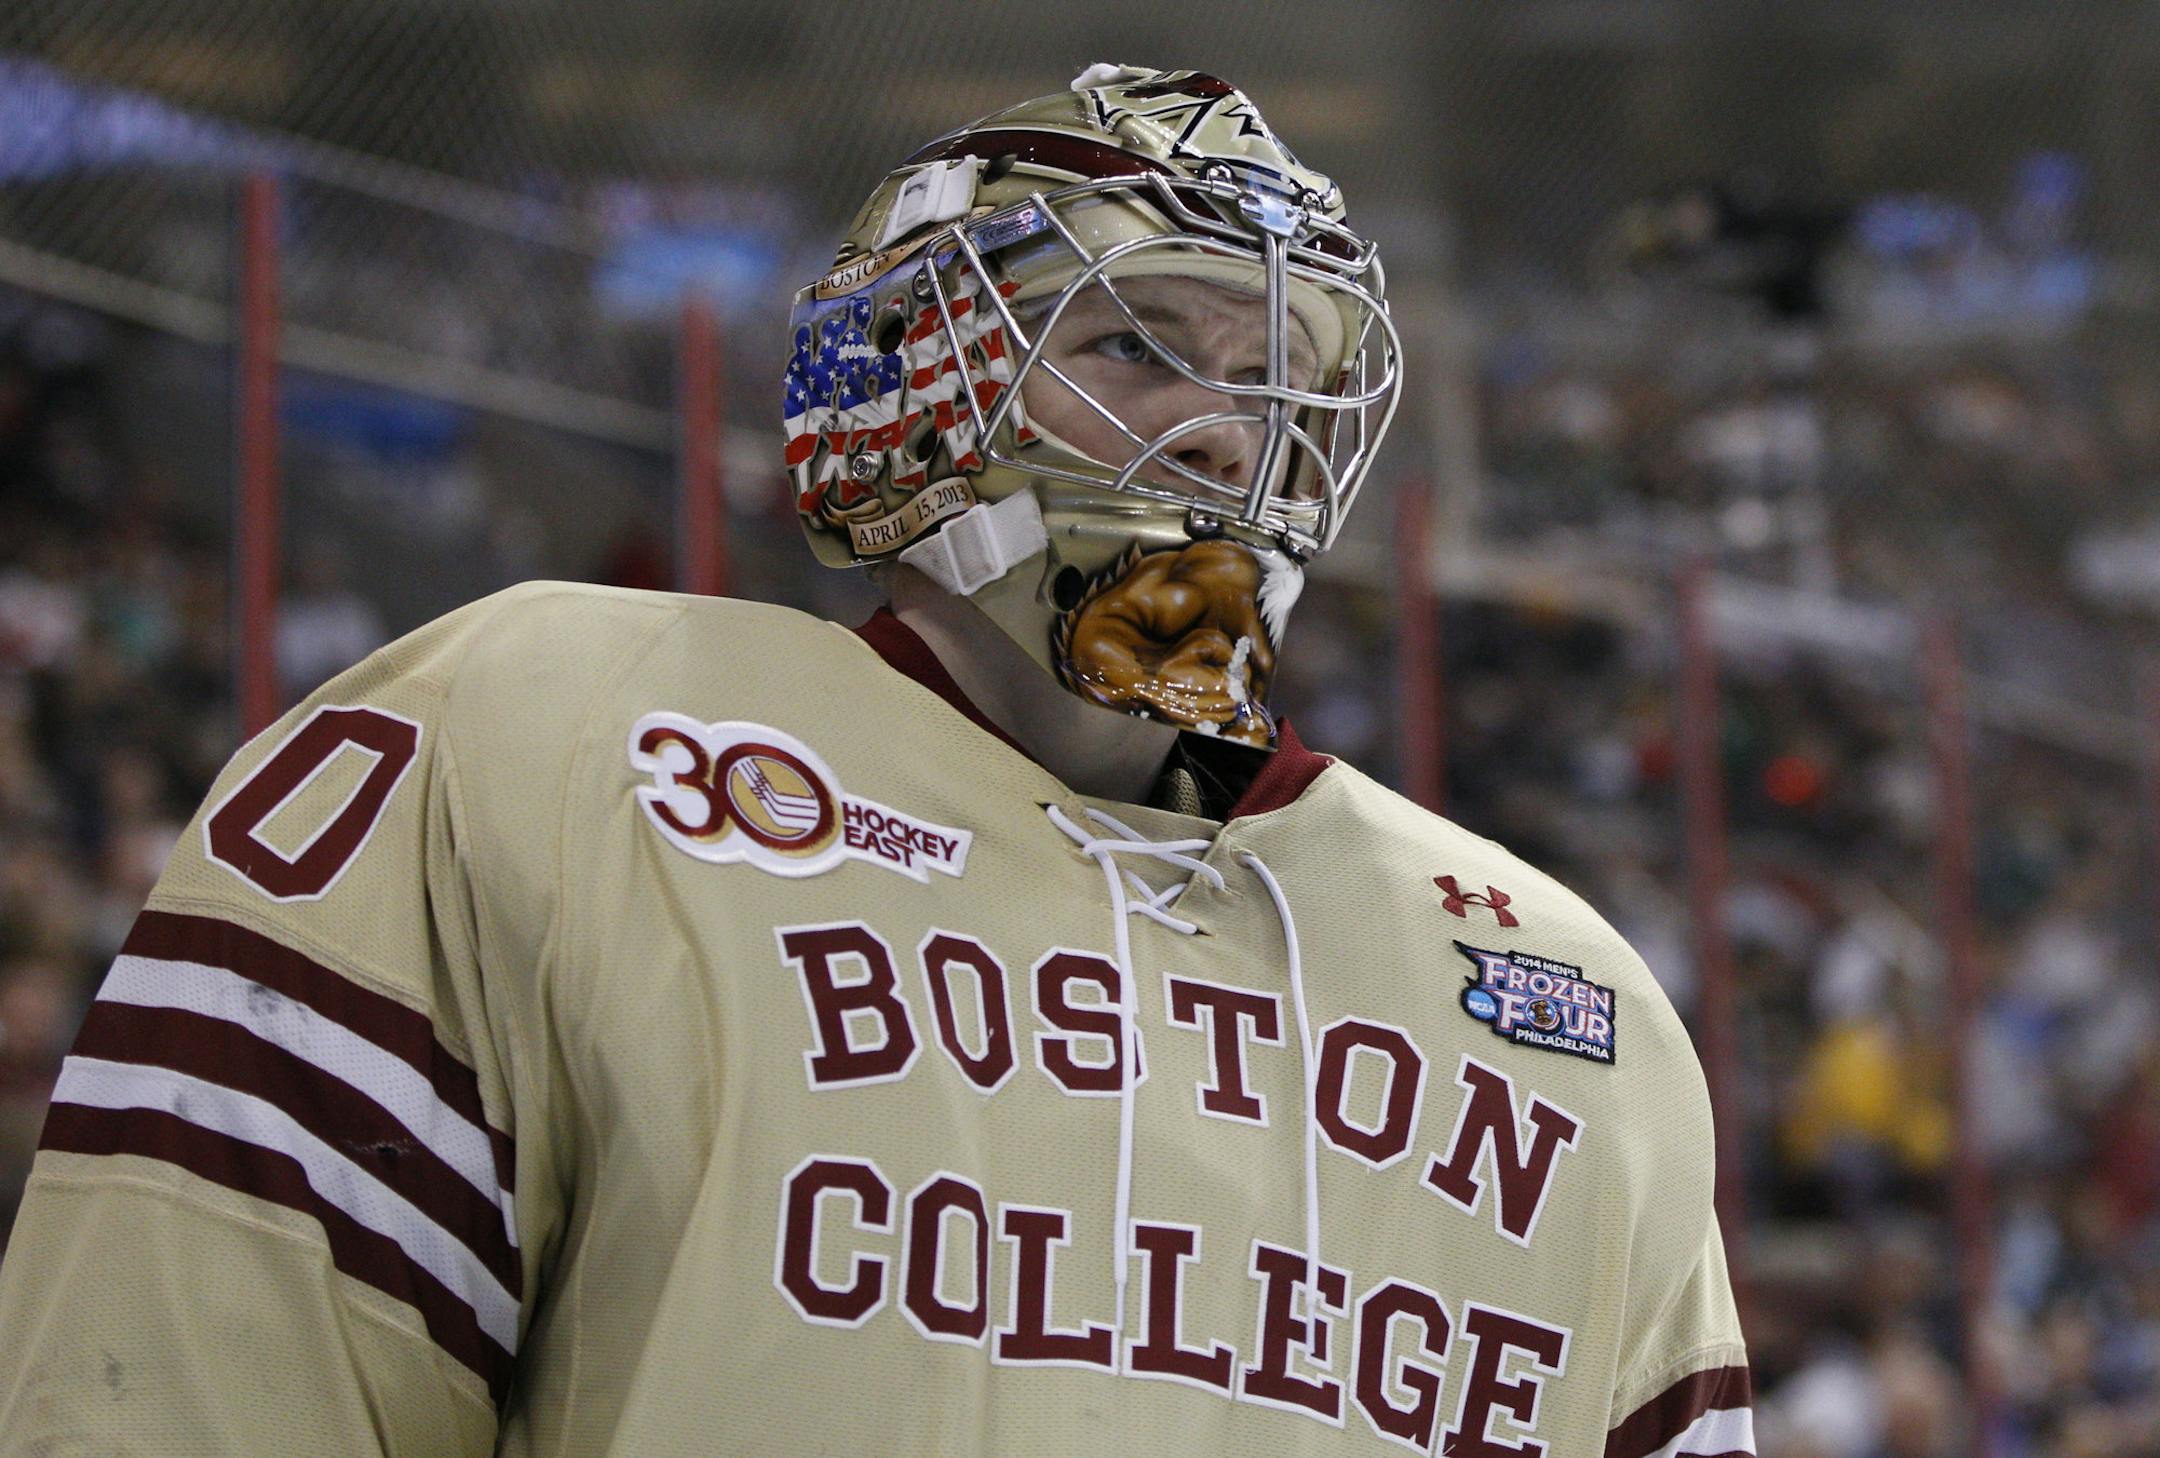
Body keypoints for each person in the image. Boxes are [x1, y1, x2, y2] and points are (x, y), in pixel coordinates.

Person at [0, 66, 1752, 1456]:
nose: (1225, 429)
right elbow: (180, 1382)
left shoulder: (1555, 992)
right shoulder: (535, 738)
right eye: (1135, 342)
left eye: (1276, 378)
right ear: (912, 379)